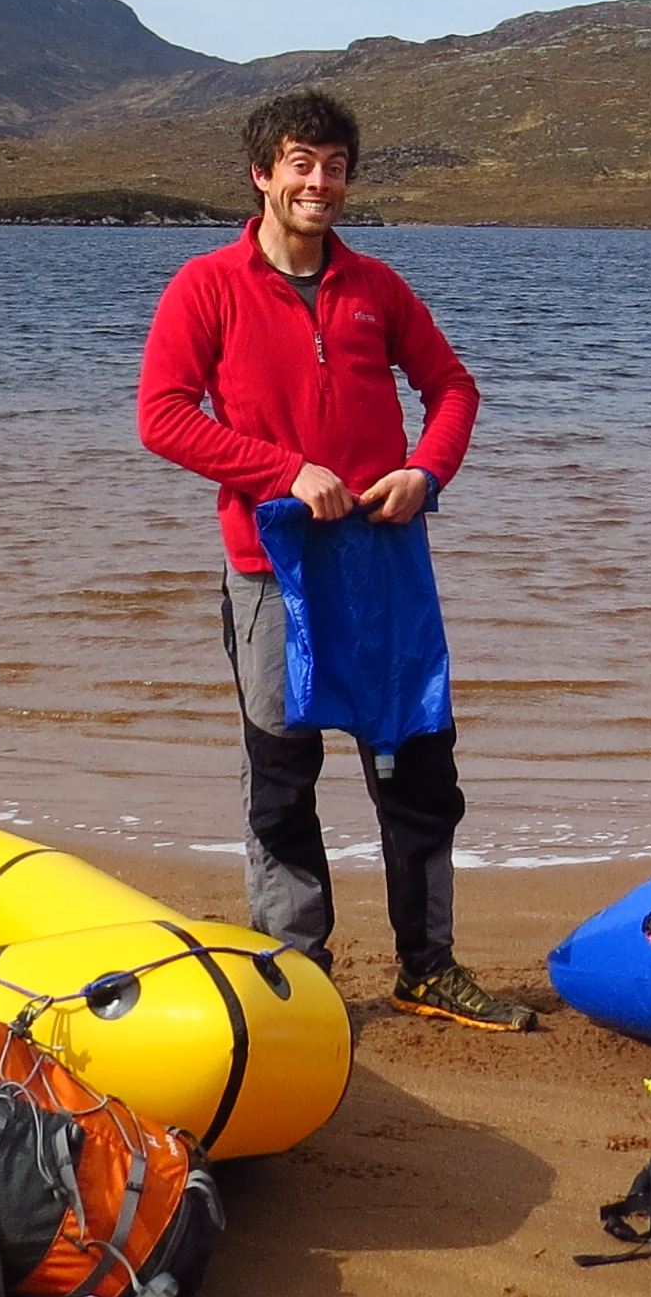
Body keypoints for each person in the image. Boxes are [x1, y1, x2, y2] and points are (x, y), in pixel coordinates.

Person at [136, 90, 537, 1030]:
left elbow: (452, 387)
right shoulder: (208, 285)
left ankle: (427, 968)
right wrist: (284, 471)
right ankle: (296, 976)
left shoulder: (375, 287)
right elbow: (162, 415)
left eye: (335, 167)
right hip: (271, 570)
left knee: (417, 765)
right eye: (301, 164)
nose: (320, 182)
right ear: (263, 175)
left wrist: (425, 472)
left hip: (383, 567)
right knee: (281, 773)